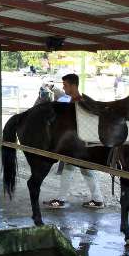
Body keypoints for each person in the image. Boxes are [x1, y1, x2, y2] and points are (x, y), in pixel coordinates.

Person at [44, 73, 105, 209]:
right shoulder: (74, 100)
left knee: (81, 169)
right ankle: (96, 200)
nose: (63, 88)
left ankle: (63, 199)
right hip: (77, 146)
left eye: (65, 85)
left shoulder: (80, 102)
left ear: (73, 85)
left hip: (80, 146)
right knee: (76, 169)